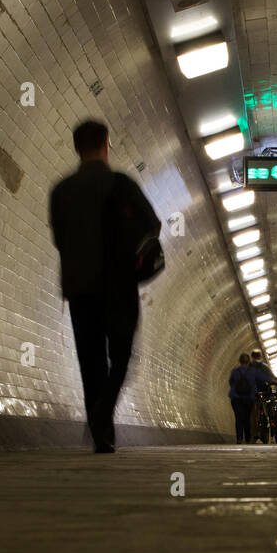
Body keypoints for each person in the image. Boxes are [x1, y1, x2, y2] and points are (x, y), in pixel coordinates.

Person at [49, 119, 160, 453]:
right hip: (118, 284)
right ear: (106, 144)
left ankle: (101, 434)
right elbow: (152, 223)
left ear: (76, 148)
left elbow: (59, 238)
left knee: (91, 360)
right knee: (122, 355)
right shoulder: (120, 184)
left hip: (80, 287)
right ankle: (102, 413)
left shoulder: (61, 190)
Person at [248, 350, 277, 443]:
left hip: (253, 394)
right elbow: (273, 378)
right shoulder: (263, 366)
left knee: (252, 410)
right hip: (265, 393)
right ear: (260, 357)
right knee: (272, 406)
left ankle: (254, 431)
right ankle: (274, 422)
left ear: (251, 357)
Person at [228, 353, 258, 444]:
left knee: (238, 418)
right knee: (247, 418)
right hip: (248, 399)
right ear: (249, 361)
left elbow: (231, 382)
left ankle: (239, 438)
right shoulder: (252, 371)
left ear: (239, 361)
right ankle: (248, 438)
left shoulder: (235, 371)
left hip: (236, 398)